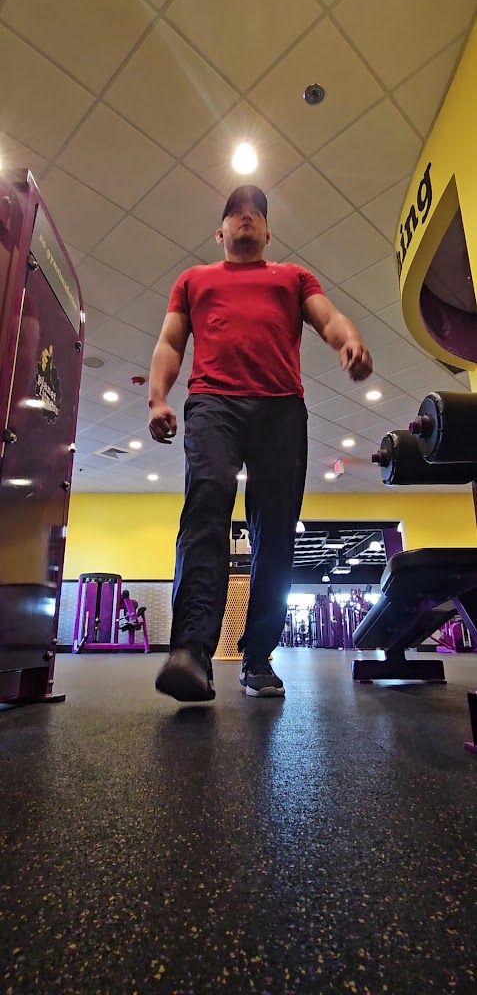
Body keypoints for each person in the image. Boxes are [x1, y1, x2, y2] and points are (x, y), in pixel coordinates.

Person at [148, 185, 372, 702]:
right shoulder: (194, 279)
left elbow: (328, 317)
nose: (245, 216)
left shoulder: (293, 277)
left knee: (275, 532)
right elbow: (170, 340)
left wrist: (349, 341)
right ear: (220, 231)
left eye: (256, 213)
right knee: (205, 511)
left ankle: (257, 658)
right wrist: (157, 398)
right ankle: (191, 652)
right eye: (235, 212)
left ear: (269, 232)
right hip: (213, 402)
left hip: (281, 408)